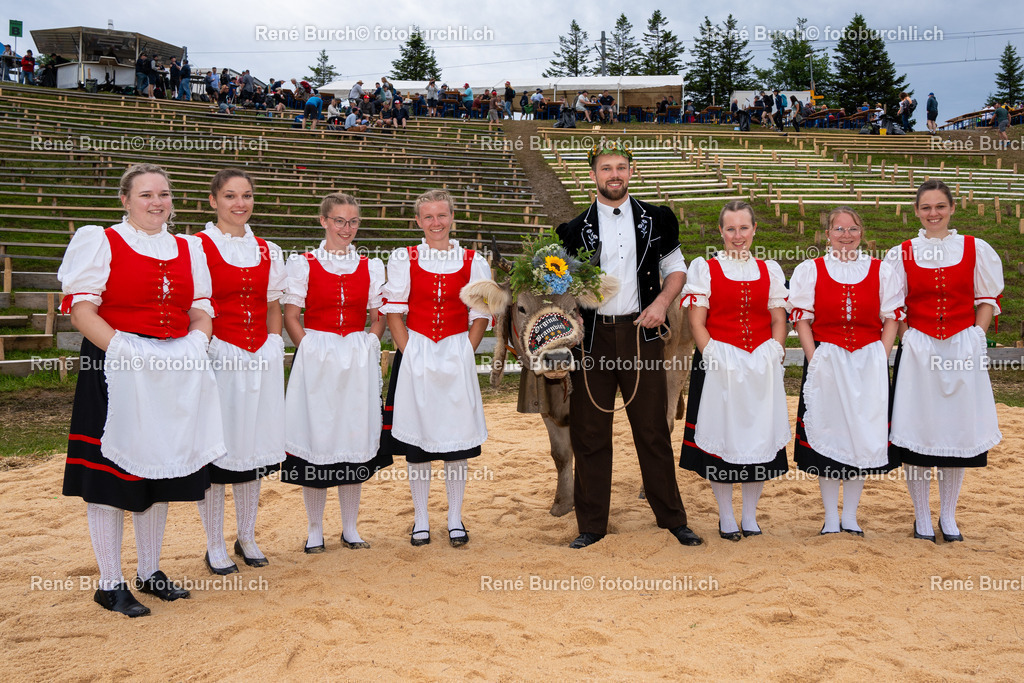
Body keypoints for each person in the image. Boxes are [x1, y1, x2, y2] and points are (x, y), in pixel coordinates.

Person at [57, 163, 224, 617]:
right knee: (111, 476)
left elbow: (201, 310)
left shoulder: (190, 248)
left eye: (164, 194)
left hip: (173, 370)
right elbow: (81, 310)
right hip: (116, 366)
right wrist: (128, 351)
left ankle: (150, 571)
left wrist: (196, 342)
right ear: (126, 200)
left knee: (160, 469)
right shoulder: (101, 240)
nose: (157, 202)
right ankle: (110, 583)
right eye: (146, 195)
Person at [555, 141, 702, 550]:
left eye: (621, 167)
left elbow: (676, 270)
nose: (614, 174)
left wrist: (660, 303)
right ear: (593, 175)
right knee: (589, 431)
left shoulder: (658, 219)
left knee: (652, 429)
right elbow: (560, 286)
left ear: (631, 172)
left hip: (642, 333)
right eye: (606, 168)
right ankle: (592, 525)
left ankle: (671, 518)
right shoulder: (571, 230)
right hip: (591, 340)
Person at [885, 179, 1003, 543]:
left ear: (952, 208)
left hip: (961, 349)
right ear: (916, 211)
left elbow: (986, 298)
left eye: (940, 206)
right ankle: (922, 517)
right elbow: (894, 304)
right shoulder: (902, 253)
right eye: (926, 207)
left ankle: (948, 516)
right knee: (919, 431)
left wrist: (977, 335)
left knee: (955, 431)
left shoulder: (975, 249)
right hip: (920, 350)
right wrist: (908, 336)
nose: (933, 213)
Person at [381, 189, 493, 548]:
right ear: (418, 221)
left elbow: (480, 313)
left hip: (455, 353)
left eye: (441, 215)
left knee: (455, 441)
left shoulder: (473, 260)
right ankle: (421, 519)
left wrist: (464, 351)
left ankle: (455, 517)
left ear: (452, 218)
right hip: (417, 353)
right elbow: (394, 310)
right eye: (428, 217)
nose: (435, 223)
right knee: (419, 443)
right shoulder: (404, 257)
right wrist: (410, 351)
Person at [188, 169, 286, 574]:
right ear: (213, 201)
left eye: (246, 195)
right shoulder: (195, 246)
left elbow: (273, 305)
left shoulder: (268, 249)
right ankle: (213, 544)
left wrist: (275, 341)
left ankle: (246, 535)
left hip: (258, 357)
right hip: (217, 357)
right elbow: (194, 304)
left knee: (251, 448)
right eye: (230, 196)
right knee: (216, 449)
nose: (239, 203)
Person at [282, 193, 391, 552]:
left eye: (353, 221)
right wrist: (309, 349)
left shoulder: (370, 265)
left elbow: (379, 316)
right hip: (317, 359)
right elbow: (291, 316)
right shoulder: (304, 263)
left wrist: (369, 343)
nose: (347, 228)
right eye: (340, 221)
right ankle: (315, 529)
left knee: (353, 438)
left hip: (355, 360)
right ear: (324, 221)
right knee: (317, 439)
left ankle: (350, 527)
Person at [680, 200, 790, 541]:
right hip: (719, 362)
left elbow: (777, 317)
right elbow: (696, 320)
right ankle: (726, 516)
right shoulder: (705, 269)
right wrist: (711, 353)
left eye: (744, 228)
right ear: (721, 232)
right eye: (731, 229)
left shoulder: (769, 270)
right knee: (722, 436)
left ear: (754, 229)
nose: (738, 235)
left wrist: (776, 347)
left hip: (761, 363)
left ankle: (750, 515)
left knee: (758, 436)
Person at [788, 207, 903, 535]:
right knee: (829, 432)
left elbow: (891, 317)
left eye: (852, 229)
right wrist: (815, 358)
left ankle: (850, 515)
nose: (846, 235)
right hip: (828, 361)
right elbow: (802, 318)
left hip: (868, 362)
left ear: (861, 232)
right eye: (839, 229)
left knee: (861, 436)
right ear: (827, 234)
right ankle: (830, 517)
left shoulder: (881, 271)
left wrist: (881, 354)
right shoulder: (811, 270)